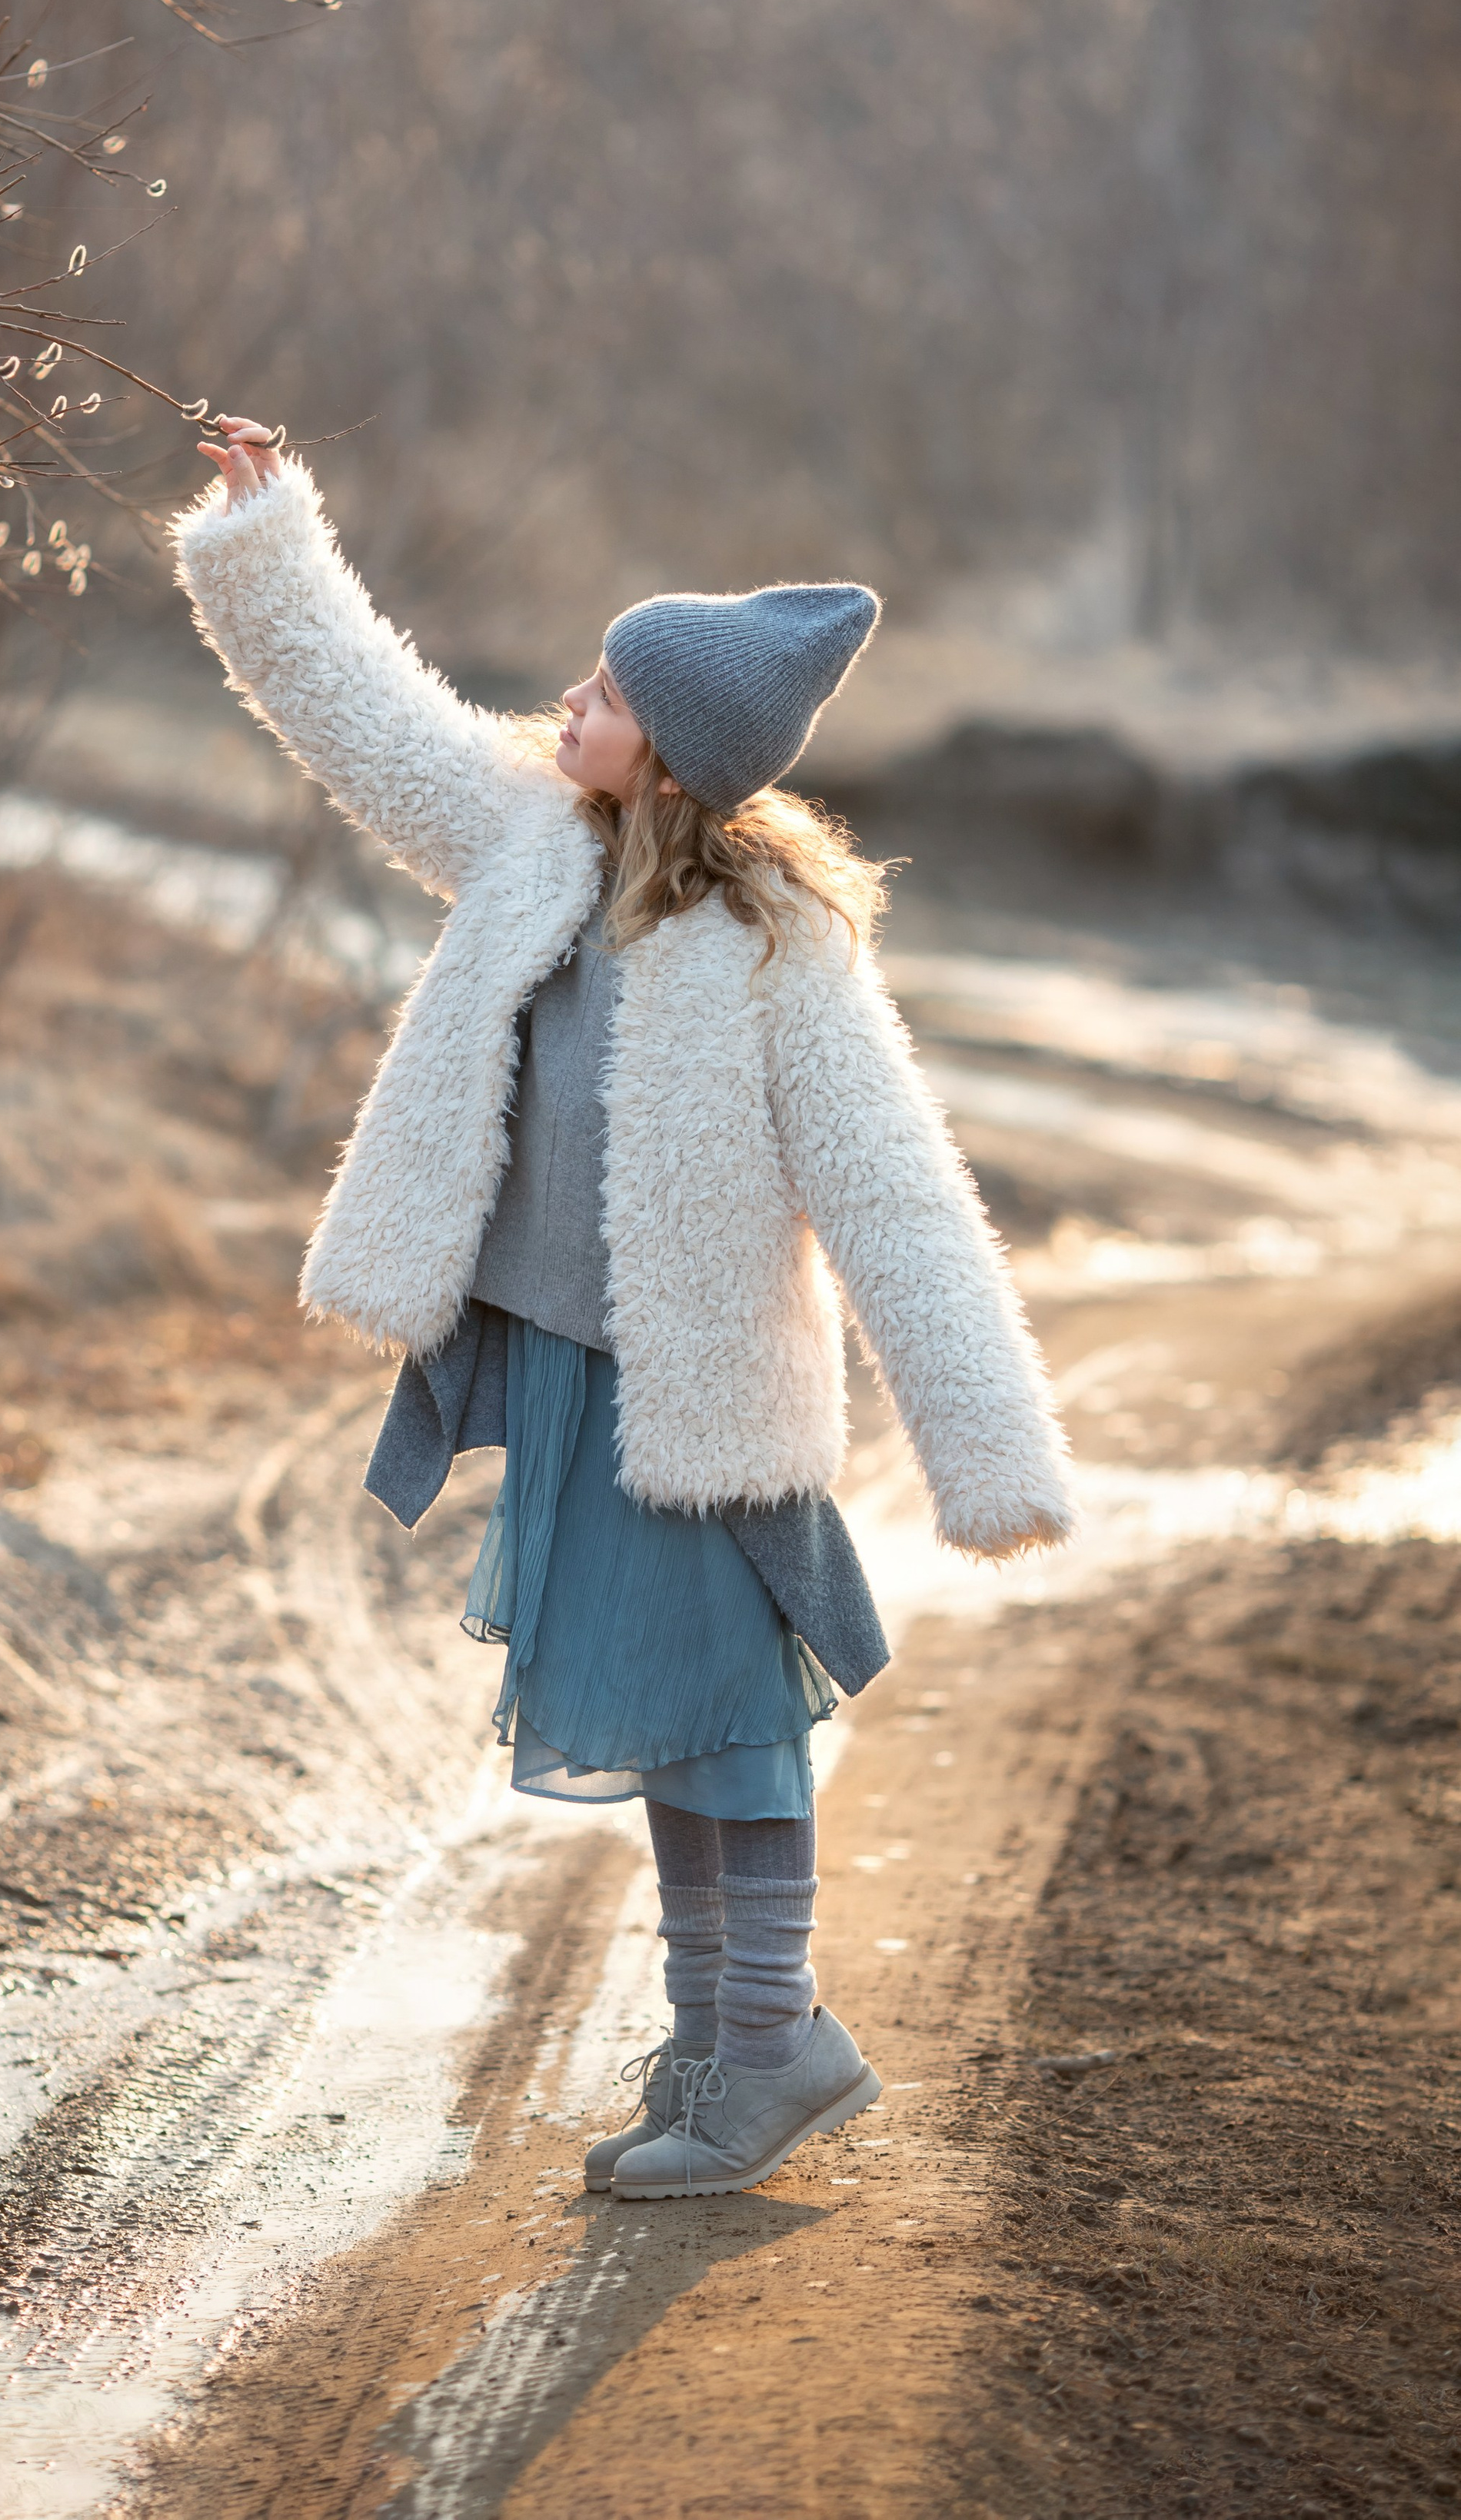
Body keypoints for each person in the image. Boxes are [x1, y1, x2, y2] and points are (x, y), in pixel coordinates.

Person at [173, 422, 1073, 2199]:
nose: (563, 701)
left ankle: (772, 2038)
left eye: (600, 688)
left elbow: (895, 1200)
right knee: (666, 1726)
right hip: (578, 1389)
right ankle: (722, 2050)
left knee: (723, 1721)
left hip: (702, 1404)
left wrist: (989, 1456)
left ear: (673, 748)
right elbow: (359, 716)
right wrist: (265, 535)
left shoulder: (774, 955)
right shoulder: (525, 837)